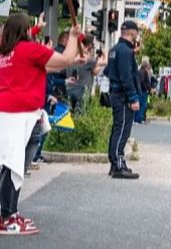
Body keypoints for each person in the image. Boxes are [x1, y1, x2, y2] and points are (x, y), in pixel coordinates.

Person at [0, 14, 81, 235]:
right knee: (14, 166)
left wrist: (36, 30)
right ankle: (7, 216)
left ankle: (9, 212)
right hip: (21, 115)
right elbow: (63, 60)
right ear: (24, 30)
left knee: (11, 164)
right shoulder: (29, 49)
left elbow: (49, 66)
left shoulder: (6, 51)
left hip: (12, 114)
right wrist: (74, 37)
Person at [106, 20, 143, 180]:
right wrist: (133, 97)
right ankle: (118, 163)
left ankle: (116, 164)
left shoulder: (115, 50)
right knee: (122, 130)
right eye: (137, 33)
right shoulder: (126, 52)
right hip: (123, 97)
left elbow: (108, 71)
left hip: (116, 93)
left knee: (117, 129)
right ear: (132, 33)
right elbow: (127, 76)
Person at [66, 34, 106, 115]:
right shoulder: (85, 58)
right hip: (82, 90)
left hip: (69, 89)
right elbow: (100, 67)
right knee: (80, 115)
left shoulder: (69, 57)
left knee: (69, 115)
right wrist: (105, 53)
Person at [135, 56, 154, 124]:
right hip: (143, 90)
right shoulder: (143, 71)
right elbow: (143, 81)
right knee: (142, 105)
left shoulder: (141, 70)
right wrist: (148, 88)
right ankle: (138, 119)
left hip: (141, 90)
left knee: (142, 105)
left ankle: (139, 118)